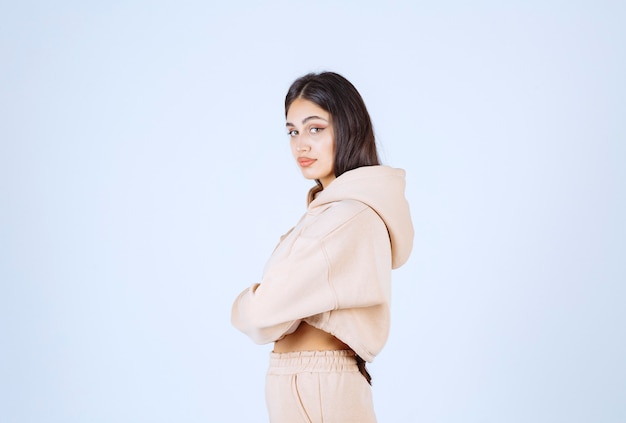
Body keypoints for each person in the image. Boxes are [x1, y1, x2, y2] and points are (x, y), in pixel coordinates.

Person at [231, 71, 414, 423]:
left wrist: (244, 303)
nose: (301, 144)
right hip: (308, 381)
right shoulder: (332, 212)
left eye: (316, 128)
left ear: (348, 128)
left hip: (317, 383)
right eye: (292, 131)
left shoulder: (347, 217)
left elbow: (260, 315)